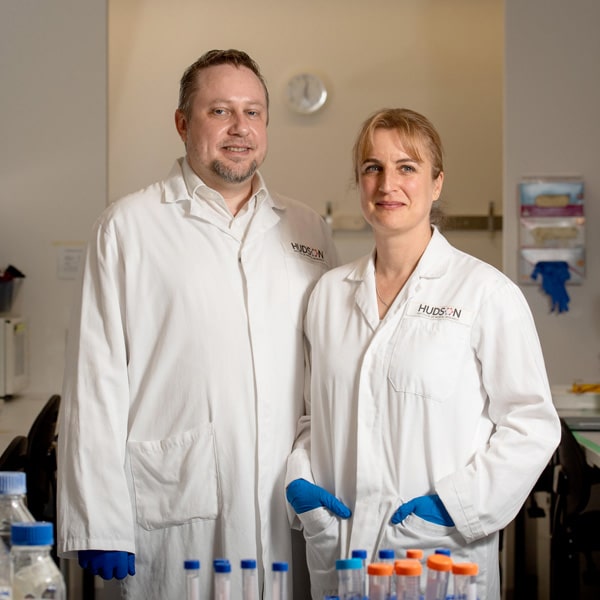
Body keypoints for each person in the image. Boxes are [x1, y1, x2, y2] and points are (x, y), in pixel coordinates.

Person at [57, 49, 338, 599]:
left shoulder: (307, 229)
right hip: (177, 509)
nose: (240, 129)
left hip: (288, 508)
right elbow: (95, 378)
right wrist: (98, 517)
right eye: (220, 112)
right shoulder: (129, 227)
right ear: (183, 123)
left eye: (253, 112)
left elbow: (328, 364)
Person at [284, 108, 561, 600]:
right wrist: (301, 485)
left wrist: (455, 505)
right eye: (373, 168)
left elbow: (532, 425)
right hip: (341, 547)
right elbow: (312, 416)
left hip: (436, 552)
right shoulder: (327, 295)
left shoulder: (485, 294)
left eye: (407, 167)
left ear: (436, 184)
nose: (388, 183)